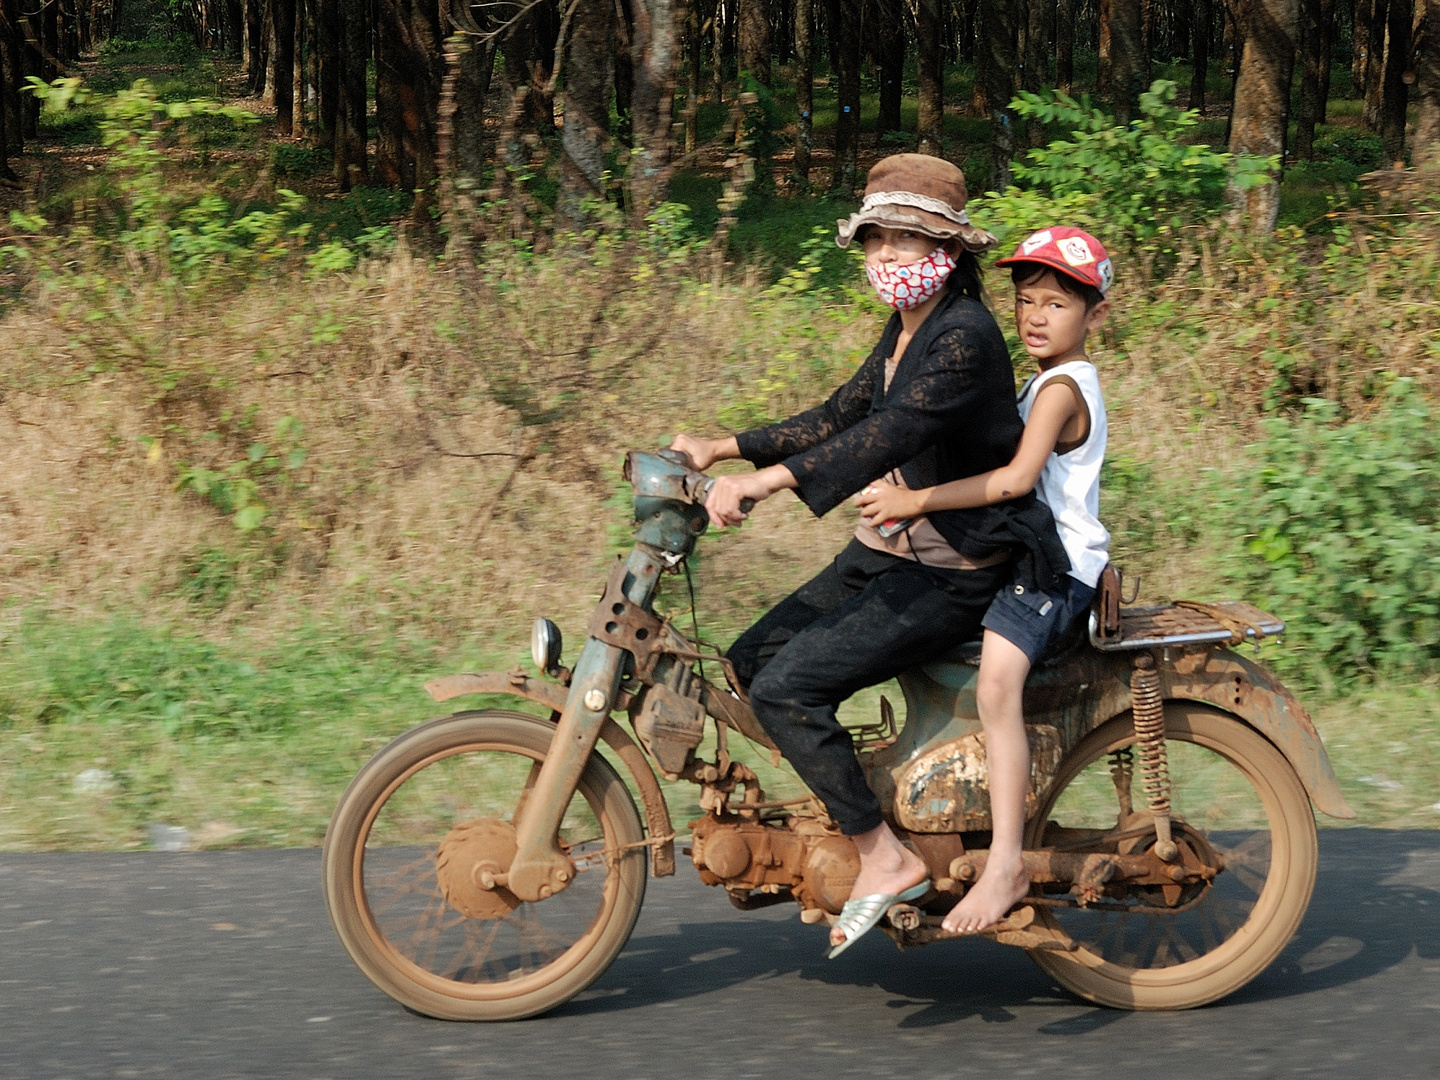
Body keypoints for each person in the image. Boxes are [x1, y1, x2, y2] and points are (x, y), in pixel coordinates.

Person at [670, 155, 1069, 958]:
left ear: (947, 254)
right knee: (752, 661)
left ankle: (882, 856)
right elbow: (842, 413)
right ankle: (859, 806)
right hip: (893, 548)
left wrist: (766, 486)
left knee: (788, 691)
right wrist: (721, 447)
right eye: (877, 238)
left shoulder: (964, 338)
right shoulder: (907, 327)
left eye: (907, 240)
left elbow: (886, 439)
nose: (886, 255)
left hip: (954, 566)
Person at [854, 226, 1113, 934]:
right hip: (1027, 556)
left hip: (1056, 570)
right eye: (1027, 301)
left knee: (998, 686)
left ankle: (1005, 863)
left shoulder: (1063, 388)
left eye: (1056, 305)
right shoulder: (1042, 379)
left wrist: (914, 501)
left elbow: (1016, 480)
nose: (1035, 316)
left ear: (1094, 316)